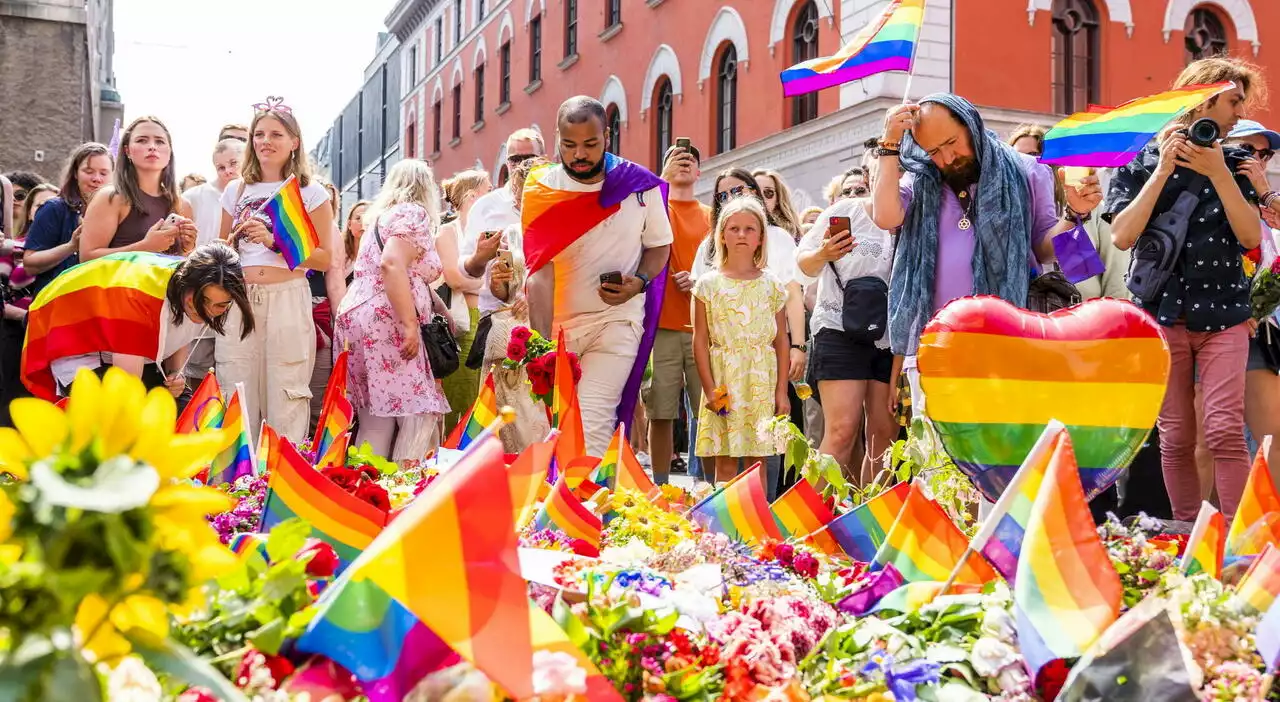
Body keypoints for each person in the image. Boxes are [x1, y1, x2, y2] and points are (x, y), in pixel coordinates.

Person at [1105, 57, 1265, 522]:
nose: (1239, 114)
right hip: (1161, 314)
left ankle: (1237, 543)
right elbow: (1121, 236)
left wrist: (1218, 172)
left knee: (1225, 431)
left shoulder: (1235, 164)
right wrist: (1160, 172)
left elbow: (1251, 238)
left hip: (1226, 316)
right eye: (1234, 101)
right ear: (1204, 99)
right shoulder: (1140, 161)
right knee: (1174, 435)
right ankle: (1186, 532)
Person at [872, 93, 1096, 408]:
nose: (947, 158)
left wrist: (1074, 214)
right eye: (933, 151)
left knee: (1002, 454)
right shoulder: (920, 177)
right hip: (934, 345)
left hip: (1007, 343)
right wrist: (888, 146)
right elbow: (885, 217)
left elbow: (1047, 251)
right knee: (935, 454)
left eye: (952, 143)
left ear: (971, 125)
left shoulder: (1027, 169)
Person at [523, 96, 671, 455]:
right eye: (569, 145)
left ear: (607, 136)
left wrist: (640, 280)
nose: (579, 154)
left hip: (616, 322)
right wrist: (540, 346)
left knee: (593, 423)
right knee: (553, 429)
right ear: (557, 139)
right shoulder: (541, 189)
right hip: (559, 330)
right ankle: (567, 504)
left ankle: (588, 506)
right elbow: (538, 271)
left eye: (590, 144)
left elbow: (659, 246)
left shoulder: (639, 186)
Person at [218, 98, 335, 440]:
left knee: (286, 390)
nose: (265, 141)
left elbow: (324, 258)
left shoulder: (310, 192)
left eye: (276, 134)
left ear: (294, 142)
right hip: (238, 299)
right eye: (259, 134)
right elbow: (221, 247)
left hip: (288, 297)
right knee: (235, 389)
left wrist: (274, 241)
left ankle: (280, 479)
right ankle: (237, 483)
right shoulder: (235, 189)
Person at [21, 243, 254, 400]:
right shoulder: (140, 297)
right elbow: (127, 389)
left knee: (189, 416)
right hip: (76, 340)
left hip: (130, 352)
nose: (209, 312)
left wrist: (177, 375)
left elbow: (180, 331)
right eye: (203, 302)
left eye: (221, 305)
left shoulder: (195, 292)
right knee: (116, 421)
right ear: (185, 285)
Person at [335, 159, 451, 459]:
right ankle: (407, 495)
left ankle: (366, 491)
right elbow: (392, 263)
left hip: (358, 316)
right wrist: (409, 324)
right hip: (388, 319)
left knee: (375, 420)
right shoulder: (413, 213)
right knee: (417, 416)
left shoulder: (379, 218)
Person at [796, 180, 898, 486]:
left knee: (885, 438)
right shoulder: (845, 211)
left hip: (891, 337)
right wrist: (823, 253)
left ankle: (871, 523)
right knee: (841, 432)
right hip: (839, 328)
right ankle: (799, 525)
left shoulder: (914, 216)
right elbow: (802, 266)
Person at [692, 197, 788, 484]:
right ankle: (725, 524)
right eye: (734, 228)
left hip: (762, 378)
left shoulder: (771, 284)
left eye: (750, 229)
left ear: (760, 238)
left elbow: (781, 339)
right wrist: (711, 390)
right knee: (726, 457)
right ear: (721, 235)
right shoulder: (707, 284)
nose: (742, 234)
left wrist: (781, 391)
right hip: (724, 378)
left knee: (758, 457)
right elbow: (700, 340)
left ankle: (754, 523)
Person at [644, 142, 711, 485]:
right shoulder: (653, 207)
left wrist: (700, 280)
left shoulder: (712, 215)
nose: (685, 162)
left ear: (700, 172)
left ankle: (711, 487)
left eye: (691, 159)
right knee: (660, 412)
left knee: (711, 412)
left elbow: (723, 266)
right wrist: (662, 181)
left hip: (704, 329)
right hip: (662, 327)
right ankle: (660, 486)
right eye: (676, 157)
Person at [477, 157, 550, 454]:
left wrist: (534, 296)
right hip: (512, 334)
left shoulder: (568, 231)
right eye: (522, 192)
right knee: (511, 423)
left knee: (541, 421)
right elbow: (503, 291)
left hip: (552, 327)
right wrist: (498, 281)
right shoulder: (511, 235)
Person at [181, 137, 247, 392]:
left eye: (233, 163)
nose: (228, 170)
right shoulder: (194, 197)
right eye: (221, 167)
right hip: (203, 292)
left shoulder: (254, 193)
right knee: (197, 369)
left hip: (238, 294)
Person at [80, 116, 197, 262]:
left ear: (169, 152)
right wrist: (145, 247)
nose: (152, 146)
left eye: (160, 141)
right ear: (127, 150)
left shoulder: (183, 205)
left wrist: (188, 248)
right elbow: (86, 258)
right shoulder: (111, 197)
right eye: (142, 140)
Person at [23, 143, 113, 295]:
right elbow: (29, 264)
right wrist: (71, 246)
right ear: (75, 173)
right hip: (54, 304)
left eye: (104, 173)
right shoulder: (54, 208)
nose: (96, 179)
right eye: (88, 171)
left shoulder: (116, 212)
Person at [437, 169, 489, 429]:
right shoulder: (448, 232)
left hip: (488, 319)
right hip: (463, 322)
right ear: (472, 197)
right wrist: (487, 285)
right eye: (488, 191)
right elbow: (455, 279)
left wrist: (476, 284)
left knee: (482, 395)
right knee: (461, 395)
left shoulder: (489, 231)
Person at [463, 128, 545, 250]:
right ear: (507, 163)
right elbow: (466, 261)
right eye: (515, 160)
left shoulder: (558, 201)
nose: (521, 165)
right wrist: (479, 259)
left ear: (543, 160)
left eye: (529, 159)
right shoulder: (484, 206)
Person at [753, 168, 803, 241]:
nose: (762, 197)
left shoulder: (791, 233)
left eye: (768, 192)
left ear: (777, 199)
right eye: (756, 192)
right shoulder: (739, 230)